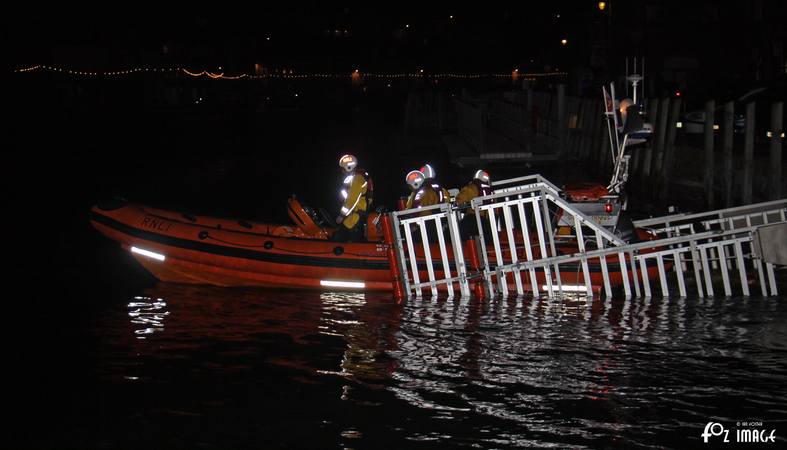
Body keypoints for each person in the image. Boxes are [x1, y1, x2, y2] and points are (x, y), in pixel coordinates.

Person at [333, 154, 373, 242]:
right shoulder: (360, 177)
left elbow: (352, 200)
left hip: (355, 217)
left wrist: (341, 215)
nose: (342, 171)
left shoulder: (357, 178)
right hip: (355, 215)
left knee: (341, 238)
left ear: (349, 167)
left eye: (343, 169)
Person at [455, 169, 494, 239]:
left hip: (473, 218)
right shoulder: (490, 191)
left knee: (457, 232)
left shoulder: (472, 188)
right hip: (488, 220)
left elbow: (459, 201)